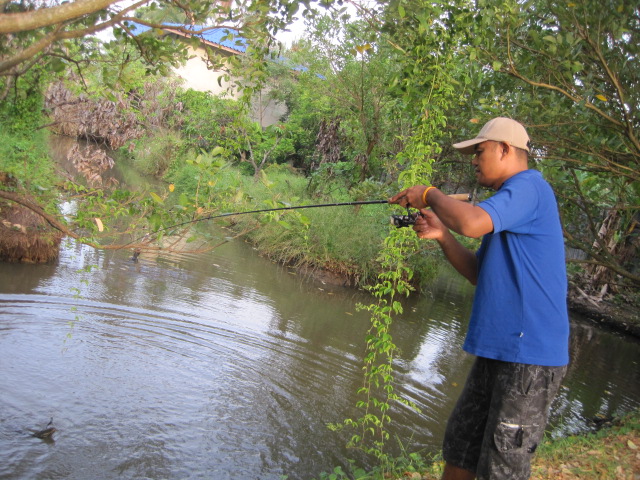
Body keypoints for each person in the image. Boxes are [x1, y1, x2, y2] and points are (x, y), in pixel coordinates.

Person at [389, 117, 570, 480]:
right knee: (461, 447)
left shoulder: (529, 188)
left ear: (505, 149)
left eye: (480, 150)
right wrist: (442, 235)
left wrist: (429, 194)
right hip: (499, 350)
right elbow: (477, 272)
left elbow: (471, 222)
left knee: (501, 467)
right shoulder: (507, 204)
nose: (473, 159)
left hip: (529, 357)